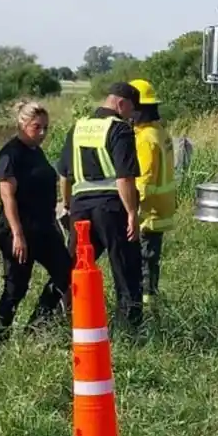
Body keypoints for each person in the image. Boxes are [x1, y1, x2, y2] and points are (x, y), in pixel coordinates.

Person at [57, 82, 144, 328]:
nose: (131, 116)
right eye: (131, 110)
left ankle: (67, 318)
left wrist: (66, 205)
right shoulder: (119, 129)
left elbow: (64, 174)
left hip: (80, 209)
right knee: (125, 266)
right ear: (121, 104)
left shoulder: (78, 127)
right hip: (111, 208)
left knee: (75, 266)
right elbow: (124, 177)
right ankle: (131, 327)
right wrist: (131, 213)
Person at [0, 100, 72, 343]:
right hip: (18, 230)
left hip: (44, 228)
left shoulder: (37, 151)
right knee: (17, 287)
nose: (43, 133)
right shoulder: (10, 154)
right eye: (37, 127)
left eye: (46, 127)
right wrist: (17, 234)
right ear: (22, 124)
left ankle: (37, 326)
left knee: (66, 274)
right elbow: (7, 196)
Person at [128, 79, 177, 308]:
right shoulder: (160, 132)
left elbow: (143, 180)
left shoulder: (144, 139)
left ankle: (145, 308)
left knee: (143, 263)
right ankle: (151, 302)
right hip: (162, 209)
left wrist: (132, 213)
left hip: (148, 212)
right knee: (151, 261)